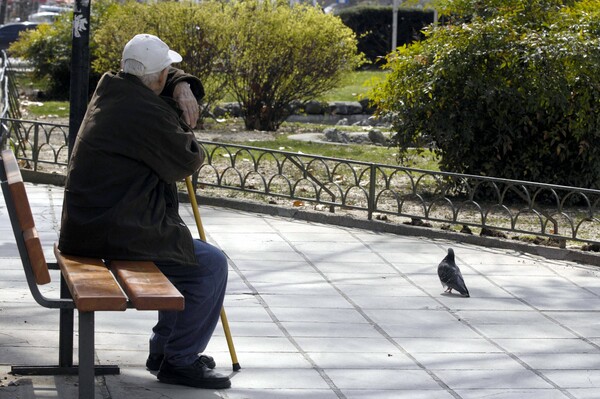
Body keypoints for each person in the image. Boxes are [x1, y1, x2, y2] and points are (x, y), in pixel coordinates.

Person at [58, 33, 231, 390]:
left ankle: (165, 351)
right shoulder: (142, 113)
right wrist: (181, 110)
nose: (171, 76)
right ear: (157, 78)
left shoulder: (116, 90)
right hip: (111, 229)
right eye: (169, 72)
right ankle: (179, 360)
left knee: (179, 252)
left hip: (97, 222)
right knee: (209, 266)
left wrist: (180, 84)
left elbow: (158, 87)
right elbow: (186, 160)